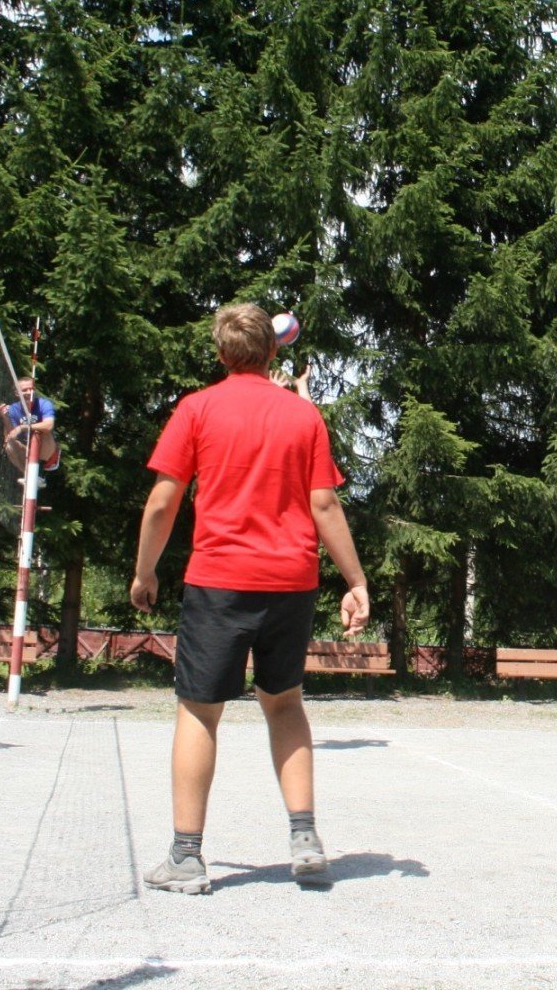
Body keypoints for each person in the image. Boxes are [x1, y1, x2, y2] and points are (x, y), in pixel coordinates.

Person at [131, 303, 370, 895]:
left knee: (198, 710)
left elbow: (163, 502)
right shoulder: (302, 416)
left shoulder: (197, 408)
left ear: (220, 354)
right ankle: (306, 839)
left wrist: (145, 572)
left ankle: (186, 858)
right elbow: (325, 505)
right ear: (273, 353)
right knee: (284, 704)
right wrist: (356, 581)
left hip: (219, 581)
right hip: (291, 582)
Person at [0, 376, 60, 474]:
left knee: (40, 432)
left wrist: (23, 427)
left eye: (31, 389)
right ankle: (28, 474)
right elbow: (13, 433)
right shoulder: (13, 409)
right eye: (24, 390)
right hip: (26, 450)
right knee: (9, 442)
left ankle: (39, 472)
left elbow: (49, 425)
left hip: (47, 452)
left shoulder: (44, 404)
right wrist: (5, 417)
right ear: (17, 393)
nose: (28, 393)